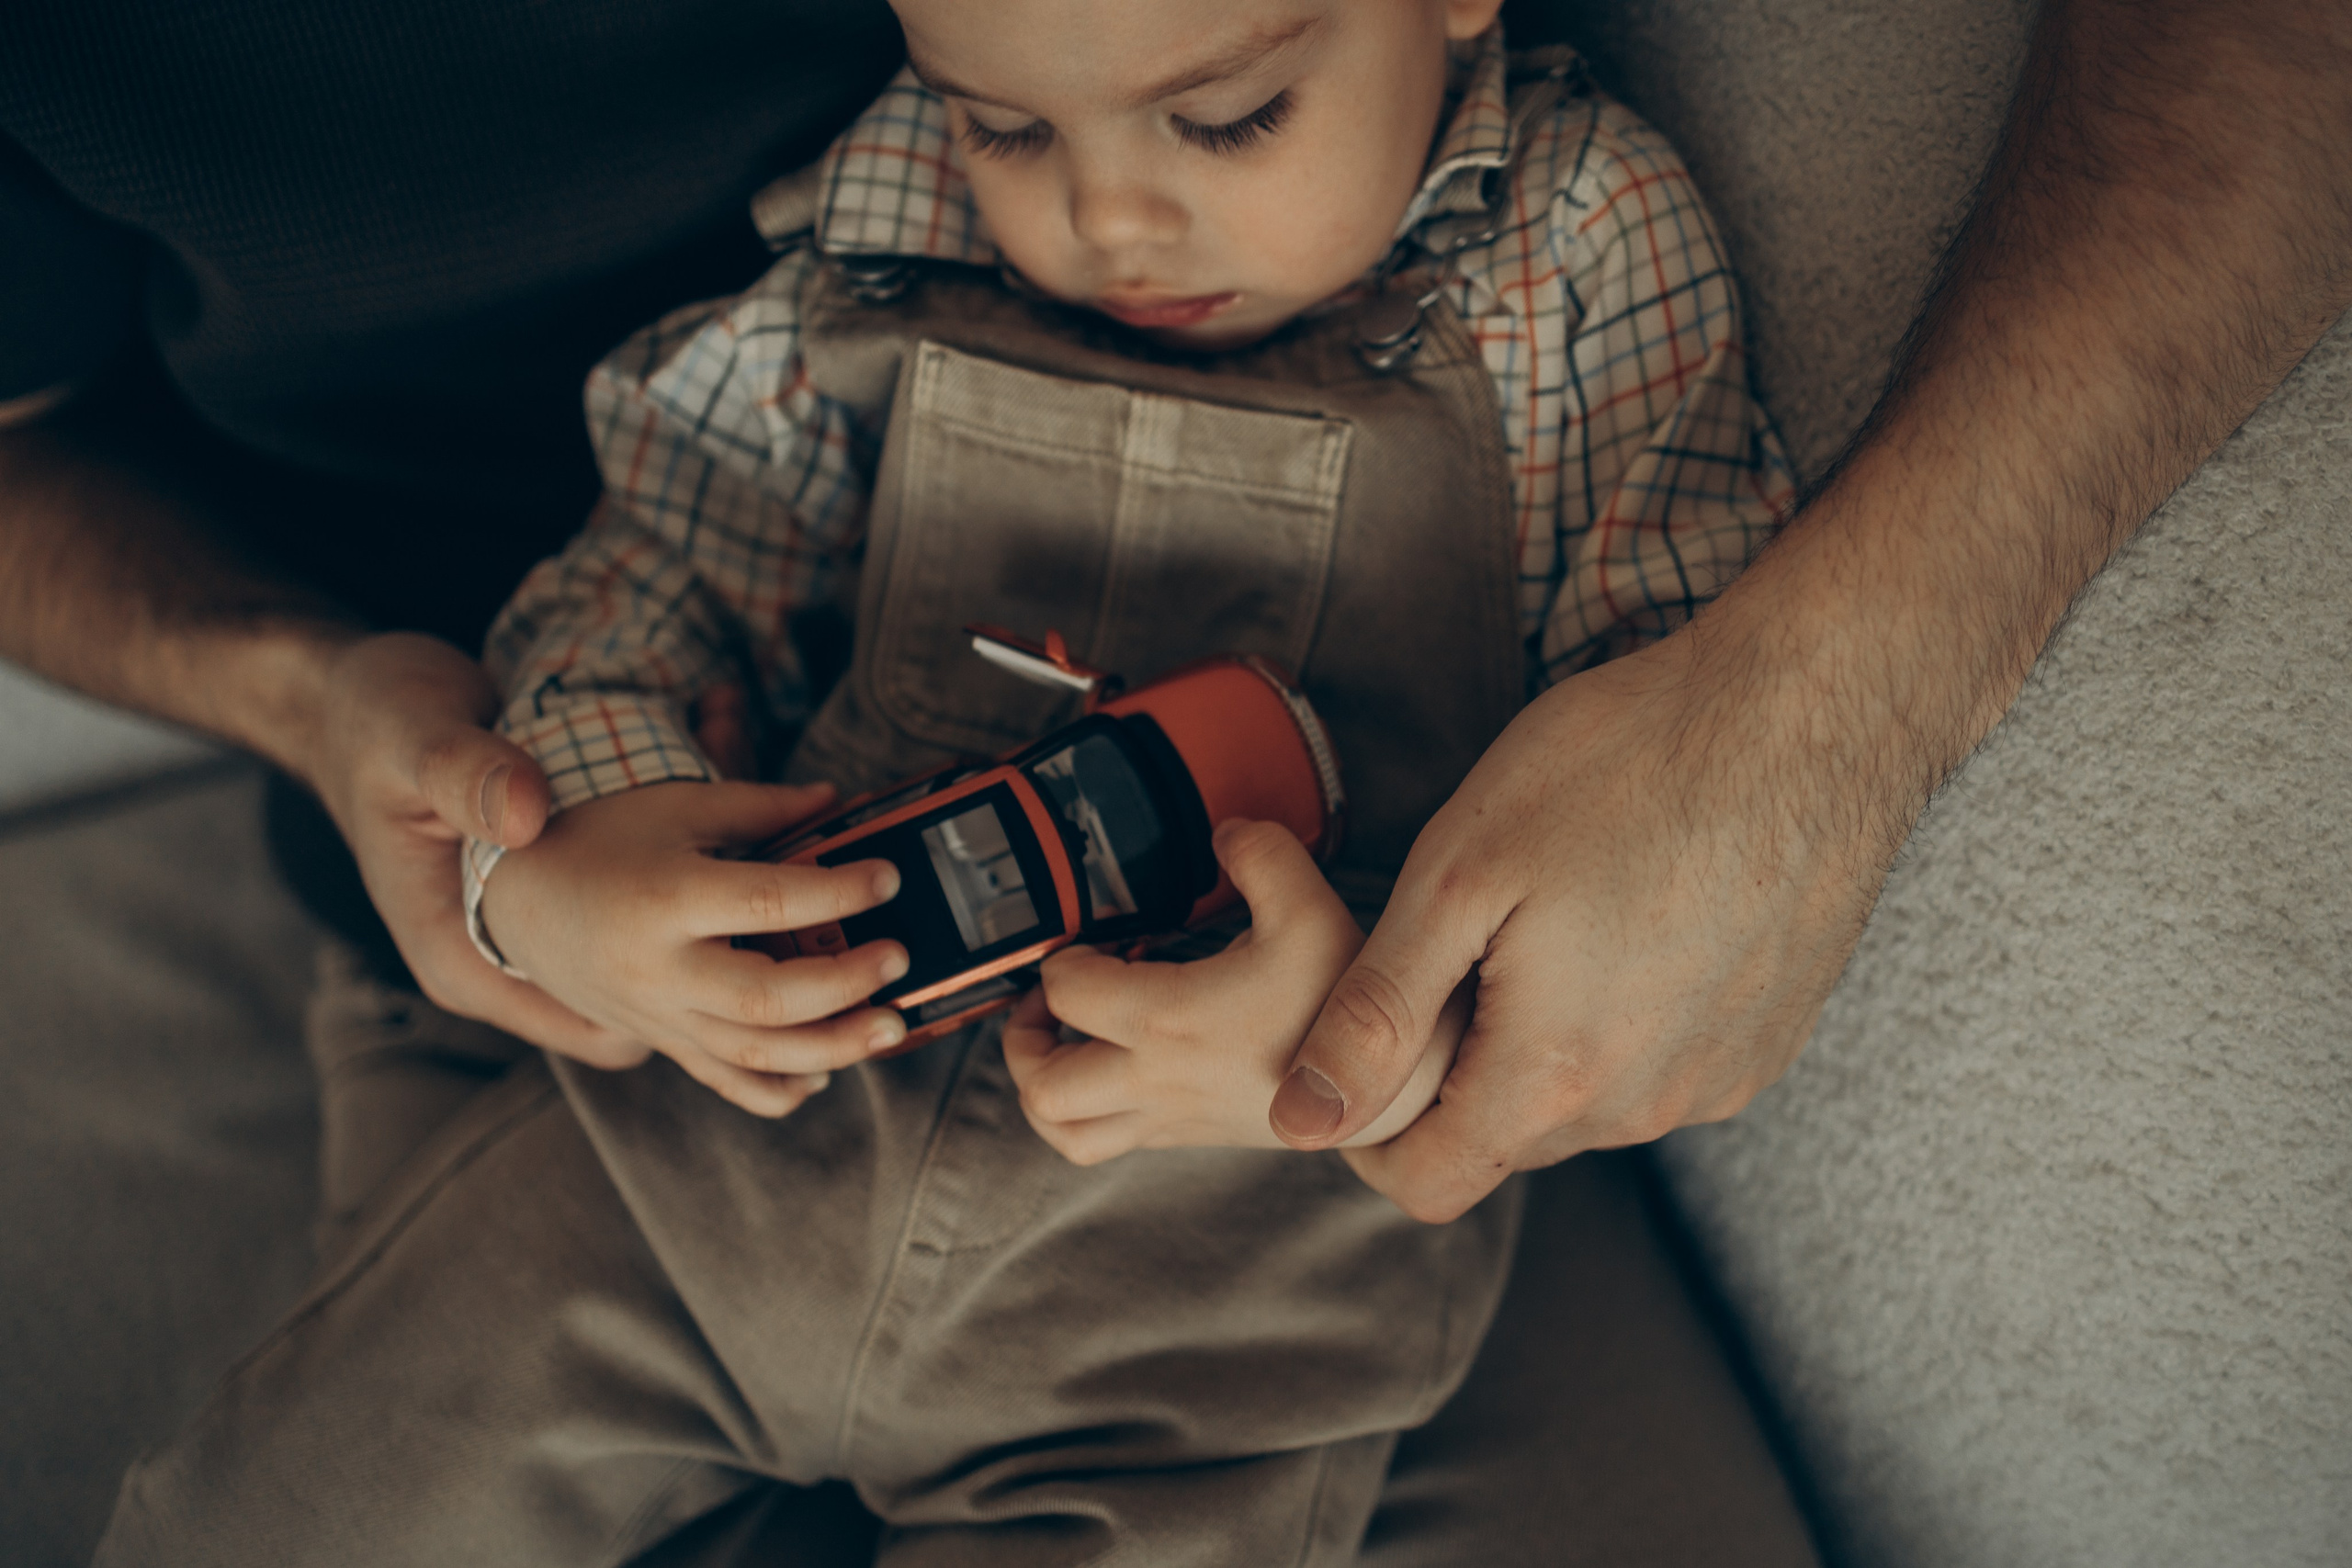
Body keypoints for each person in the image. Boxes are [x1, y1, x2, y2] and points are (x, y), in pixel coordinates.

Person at [92, 0, 1799, 1558]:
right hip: (681, 1186)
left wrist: (1376, 1029)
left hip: (1208, 1339)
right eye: (1006, 129)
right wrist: (559, 856)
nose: (1107, 221)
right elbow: (663, 565)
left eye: (1227, 122)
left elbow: (1671, 809)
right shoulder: (886, 221)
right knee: (270, 1516)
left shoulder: (1573, 251)